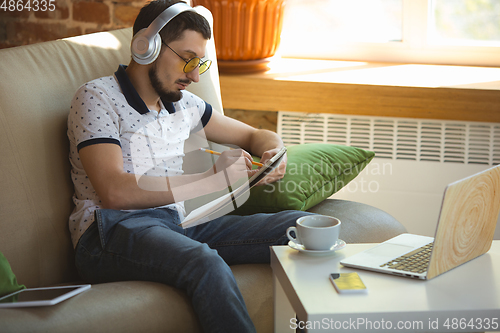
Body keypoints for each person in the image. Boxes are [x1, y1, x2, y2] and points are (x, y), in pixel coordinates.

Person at [67, 0, 311, 331]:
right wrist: (214, 179)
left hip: (177, 225)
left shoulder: (184, 106)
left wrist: (274, 153)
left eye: (201, 64)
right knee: (204, 262)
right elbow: (114, 192)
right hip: (111, 232)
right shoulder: (97, 97)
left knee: (305, 227)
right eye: (187, 60)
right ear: (146, 46)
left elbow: (256, 134)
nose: (195, 76)